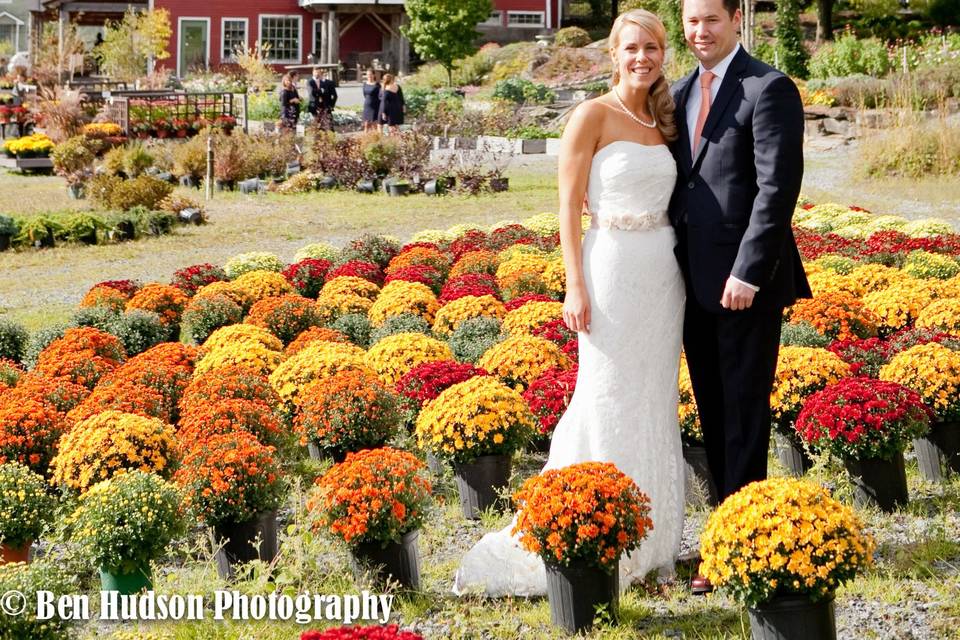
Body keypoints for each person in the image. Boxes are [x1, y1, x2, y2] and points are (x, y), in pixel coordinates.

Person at [453, 10, 686, 597]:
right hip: (609, 268)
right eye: (631, 48)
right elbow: (566, 206)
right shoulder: (591, 115)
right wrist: (573, 283)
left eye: (652, 48)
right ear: (613, 54)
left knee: (654, 398)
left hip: (664, 276)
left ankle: (655, 539)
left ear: (663, 54)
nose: (642, 58)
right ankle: (601, 527)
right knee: (606, 393)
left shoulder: (665, 117)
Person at [667, 0, 810, 593]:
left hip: (745, 284)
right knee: (712, 410)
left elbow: (778, 187)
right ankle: (725, 533)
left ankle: (737, 547)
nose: (701, 31)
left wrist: (749, 271)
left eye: (712, 20)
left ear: (735, 22)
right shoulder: (675, 93)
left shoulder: (767, 88)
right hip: (691, 281)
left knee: (743, 417)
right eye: (691, 21)